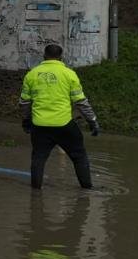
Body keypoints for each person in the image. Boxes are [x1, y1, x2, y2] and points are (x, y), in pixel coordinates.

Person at [19, 43, 98, 190]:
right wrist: (92, 120)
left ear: (44, 56)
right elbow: (80, 102)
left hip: (40, 126)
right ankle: (87, 190)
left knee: (38, 158)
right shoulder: (69, 74)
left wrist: (26, 120)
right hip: (64, 125)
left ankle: (36, 192)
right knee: (79, 156)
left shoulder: (32, 74)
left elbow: (24, 102)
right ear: (61, 58)